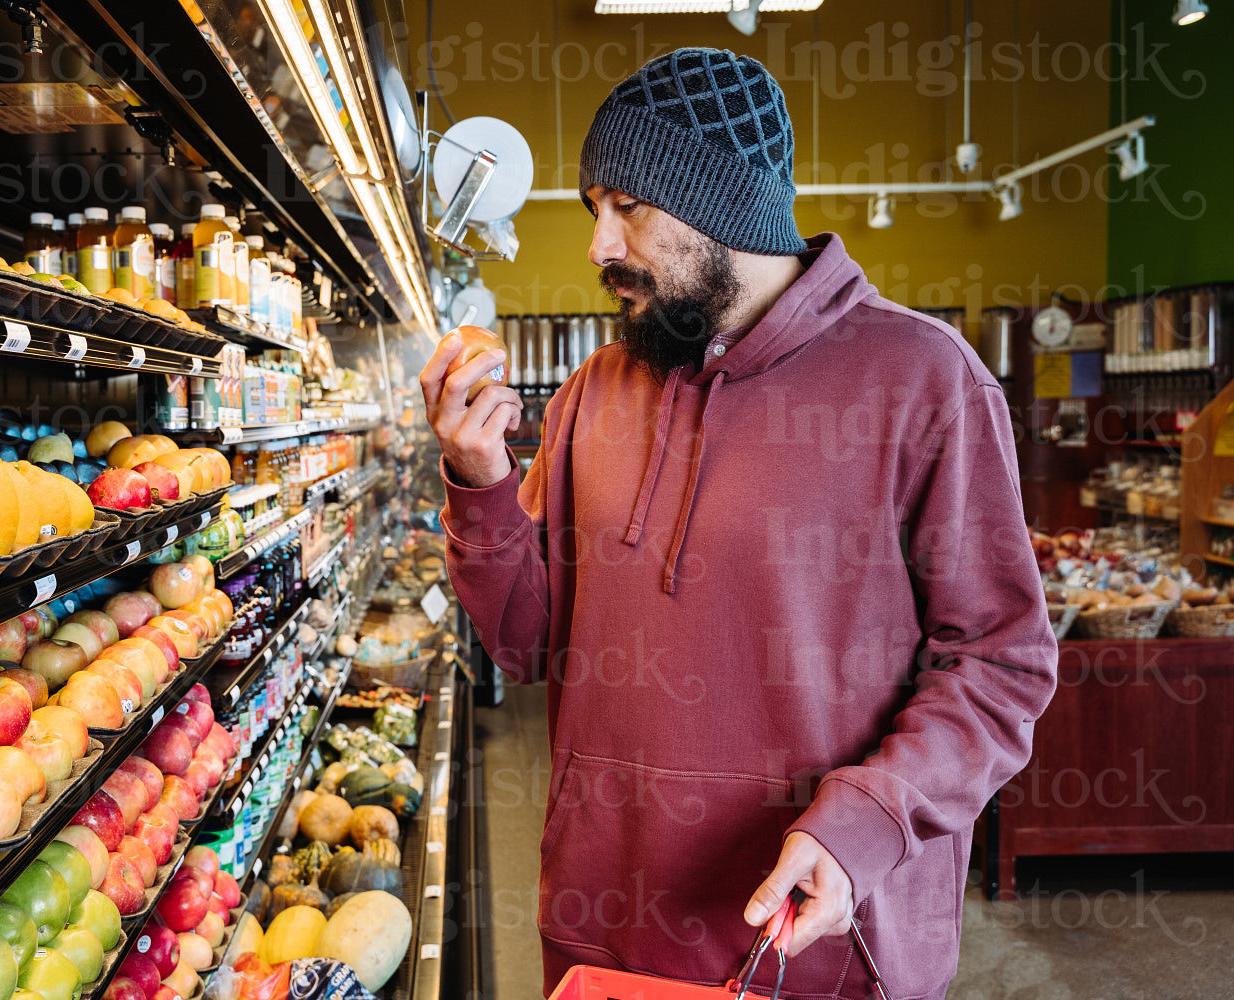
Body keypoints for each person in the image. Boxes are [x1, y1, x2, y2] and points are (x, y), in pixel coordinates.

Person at [420, 48, 1058, 1000]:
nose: (597, 247)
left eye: (625, 206)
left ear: (723, 206)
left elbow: (1001, 665)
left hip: (812, 945)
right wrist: (479, 481)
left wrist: (868, 821)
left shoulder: (924, 381)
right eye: (592, 208)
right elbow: (524, 644)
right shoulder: (596, 392)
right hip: (606, 940)